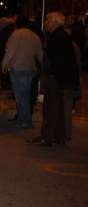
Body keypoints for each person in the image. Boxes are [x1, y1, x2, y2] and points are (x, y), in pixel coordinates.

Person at [29, 12, 79, 146]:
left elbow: (55, 60)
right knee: (58, 108)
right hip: (61, 79)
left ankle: (48, 137)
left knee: (50, 107)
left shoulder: (58, 37)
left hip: (56, 78)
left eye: (48, 20)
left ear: (56, 22)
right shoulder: (61, 36)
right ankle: (58, 136)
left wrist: (51, 75)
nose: (46, 23)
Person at [1, 15, 43, 129]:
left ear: (17, 24)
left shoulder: (16, 34)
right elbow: (40, 55)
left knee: (20, 96)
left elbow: (10, 51)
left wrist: (4, 64)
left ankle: (27, 121)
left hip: (18, 69)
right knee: (25, 95)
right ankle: (22, 118)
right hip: (30, 69)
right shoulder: (35, 37)